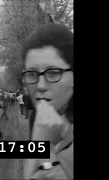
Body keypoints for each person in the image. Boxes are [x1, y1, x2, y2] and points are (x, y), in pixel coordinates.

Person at [21, 24, 73, 179]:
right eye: (31, 74)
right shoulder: (38, 119)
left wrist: (46, 154)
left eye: (53, 72)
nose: (41, 86)